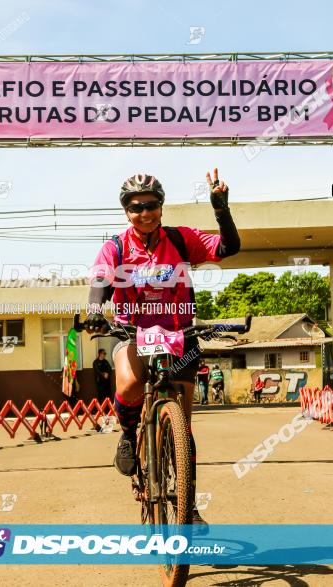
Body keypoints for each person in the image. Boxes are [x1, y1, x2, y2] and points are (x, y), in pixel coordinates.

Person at [84, 169, 240, 528]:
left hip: (178, 333)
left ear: (161, 207)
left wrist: (221, 211)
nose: (145, 213)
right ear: (126, 211)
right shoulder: (117, 246)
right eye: (136, 207)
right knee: (128, 386)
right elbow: (100, 281)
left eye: (152, 205)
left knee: (183, 428)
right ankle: (127, 436)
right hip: (132, 332)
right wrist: (95, 312)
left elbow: (228, 248)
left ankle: (189, 506)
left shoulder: (181, 240)